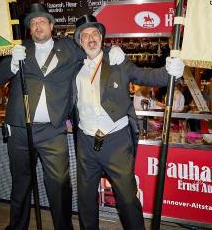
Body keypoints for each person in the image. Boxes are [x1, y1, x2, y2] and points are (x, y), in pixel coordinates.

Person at [0, 3, 125, 230]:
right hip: (20, 130)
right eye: (33, 23)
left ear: (51, 25)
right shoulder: (20, 48)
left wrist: (112, 50)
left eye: (42, 21)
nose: (37, 26)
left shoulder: (69, 48)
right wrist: (12, 64)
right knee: (20, 184)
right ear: (29, 30)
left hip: (53, 131)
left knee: (60, 186)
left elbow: (92, 46)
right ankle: (17, 227)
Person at [71, 14, 184, 230]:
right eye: (85, 35)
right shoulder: (75, 68)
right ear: (80, 42)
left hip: (116, 142)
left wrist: (171, 72)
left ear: (102, 38)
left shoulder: (118, 62)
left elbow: (144, 76)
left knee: (127, 199)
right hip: (85, 143)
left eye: (95, 33)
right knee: (85, 200)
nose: (91, 38)